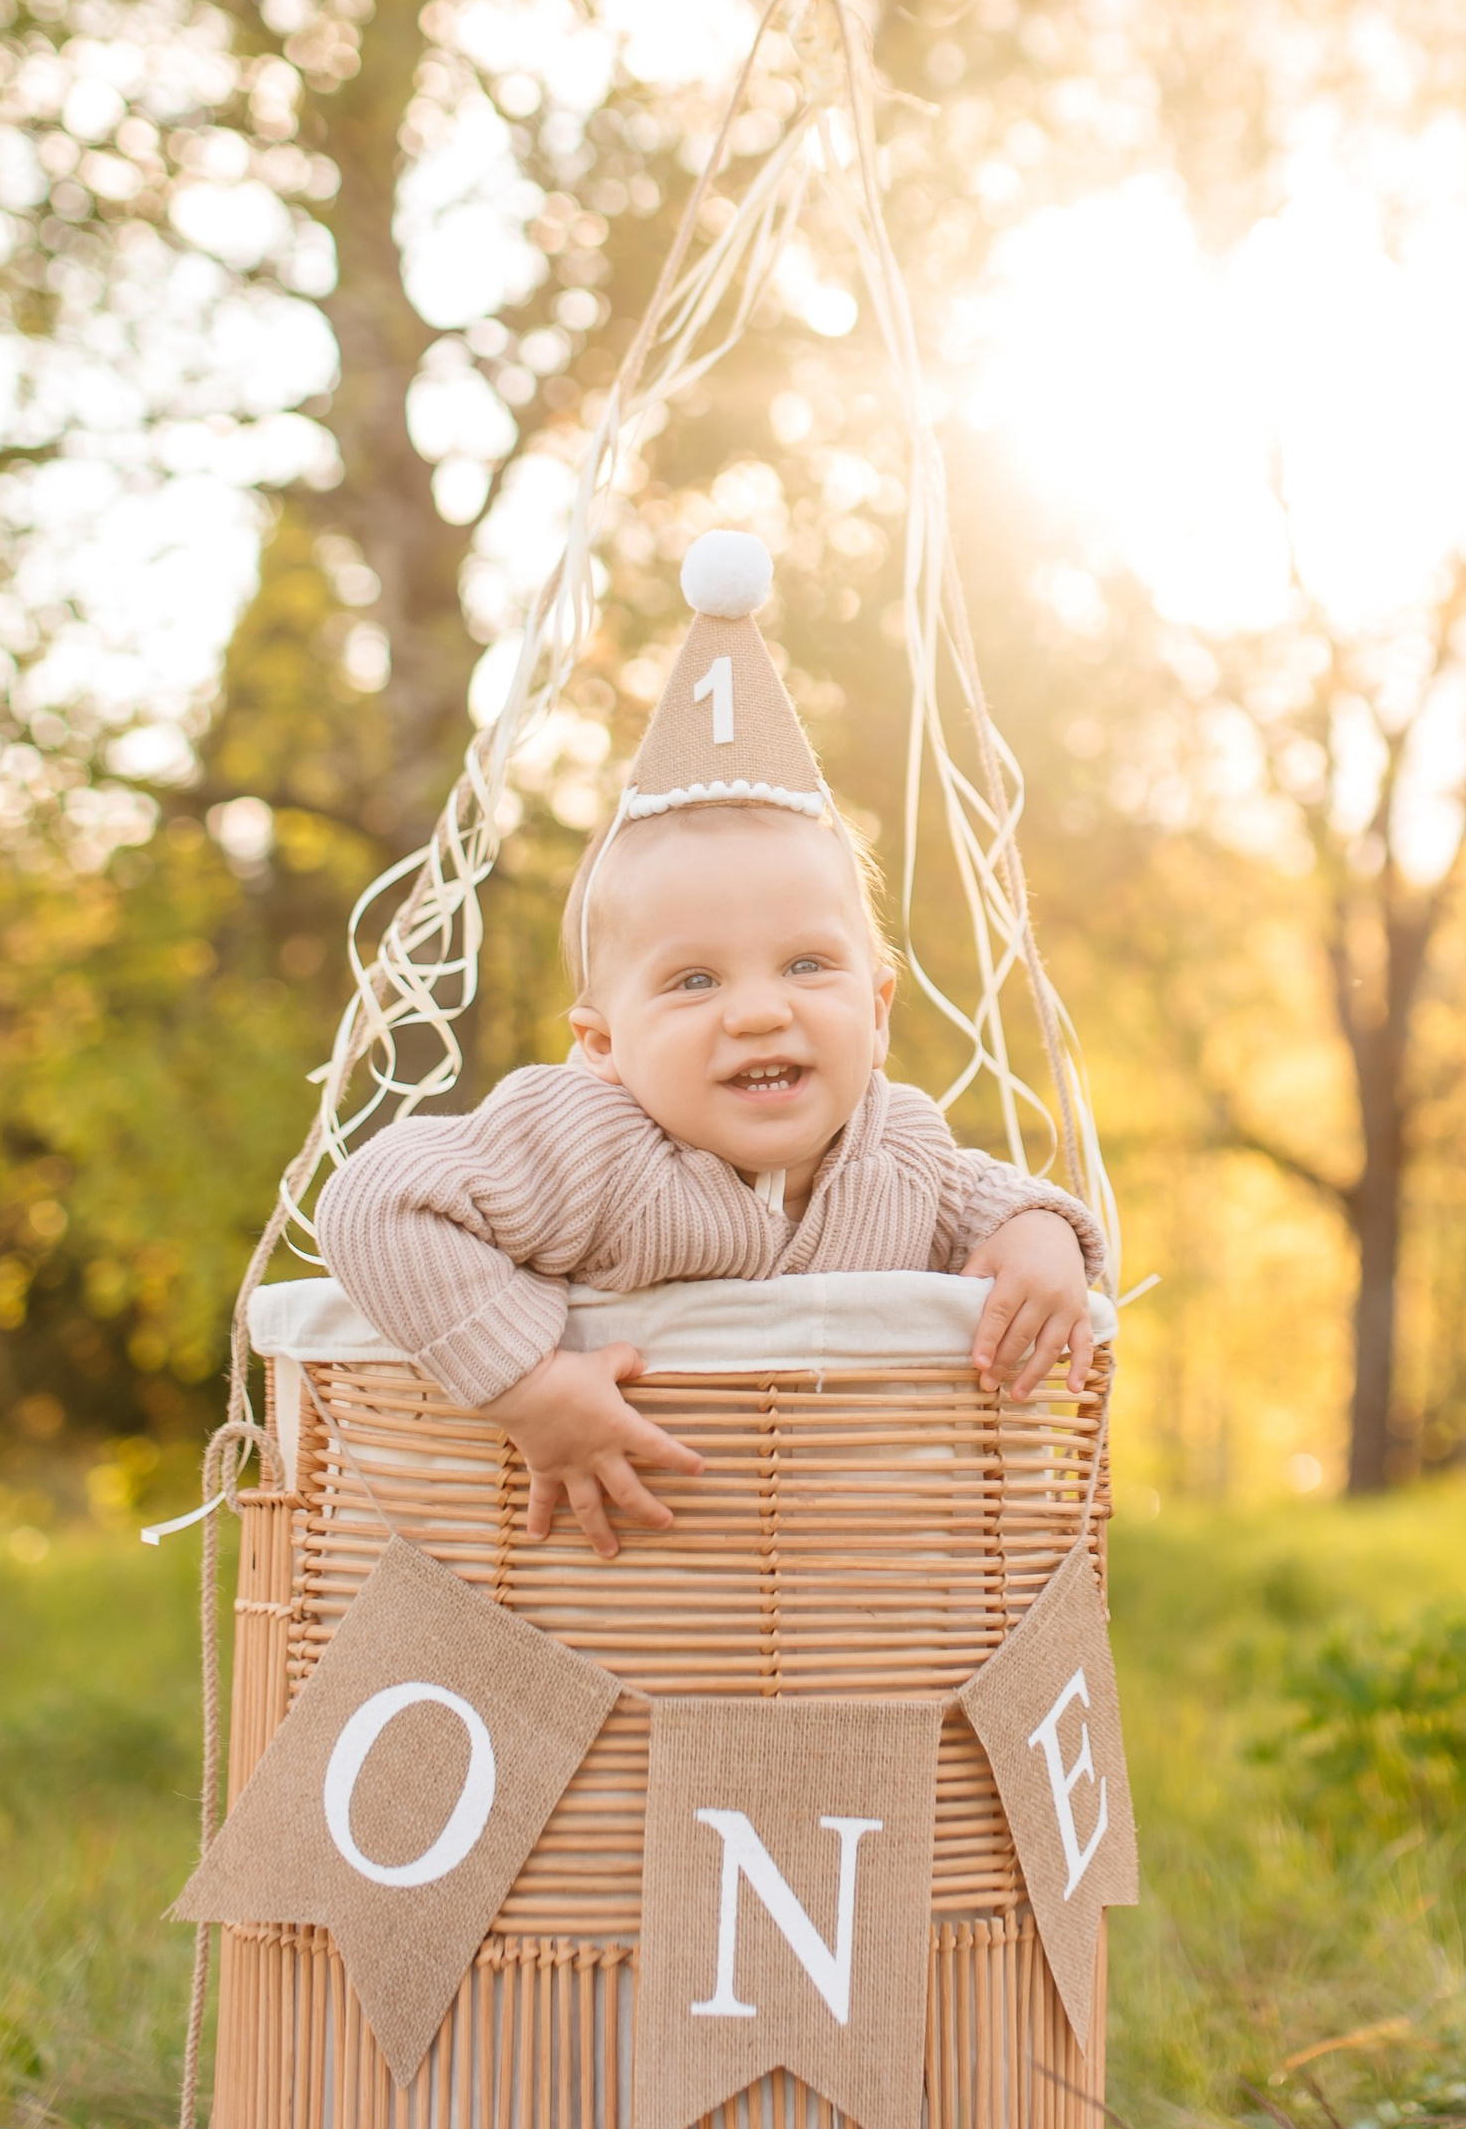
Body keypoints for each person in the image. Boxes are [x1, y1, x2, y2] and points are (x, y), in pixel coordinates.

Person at [319, 533, 1108, 1562]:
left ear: (877, 1011)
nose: (755, 1013)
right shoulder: (580, 1141)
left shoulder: (893, 1141)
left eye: (806, 966)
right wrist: (526, 1384)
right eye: (694, 981)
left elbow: (979, 1203)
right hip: (624, 1585)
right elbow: (375, 1204)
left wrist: (1042, 1243)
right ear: (602, 1045)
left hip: (843, 1585)